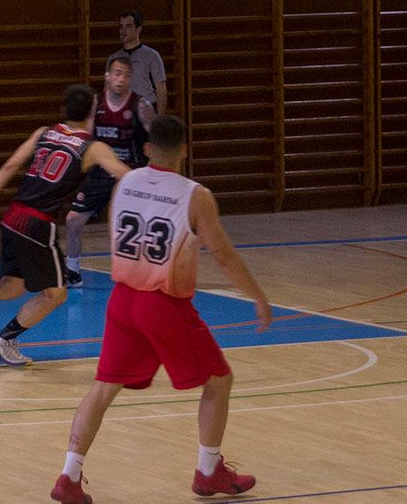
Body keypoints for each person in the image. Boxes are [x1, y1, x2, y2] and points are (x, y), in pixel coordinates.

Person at [50, 115, 271, 503]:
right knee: (219, 382)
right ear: (185, 149)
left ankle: (69, 476)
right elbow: (222, 255)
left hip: (122, 300)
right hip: (163, 303)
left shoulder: (127, 183)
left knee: (102, 389)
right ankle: (208, 471)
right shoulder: (195, 195)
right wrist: (257, 294)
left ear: (148, 148)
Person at [0, 84, 130, 366]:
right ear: (93, 111)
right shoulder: (93, 147)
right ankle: (4, 340)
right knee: (56, 294)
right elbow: (125, 175)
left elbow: (9, 166)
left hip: (12, 216)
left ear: (64, 109)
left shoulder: (44, 133)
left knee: (10, 287)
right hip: (38, 225)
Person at [63, 55, 154, 287]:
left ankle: (139, 271)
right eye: (116, 73)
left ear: (130, 78)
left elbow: (159, 138)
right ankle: (72, 271)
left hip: (130, 174)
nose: (120, 78)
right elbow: (86, 136)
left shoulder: (140, 105)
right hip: (101, 173)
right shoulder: (97, 103)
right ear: (107, 76)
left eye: (125, 74)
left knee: (124, 225)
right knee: (73, 220)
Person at [110, 9, 168, 114]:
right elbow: (108, 89)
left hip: (146, 110)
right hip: (122, 112)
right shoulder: (114, 58)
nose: (123, 31)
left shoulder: (152, 56)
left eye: (128, 26)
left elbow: (161, 90)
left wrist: (160, 119)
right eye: (121, 26)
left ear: (138, 29)